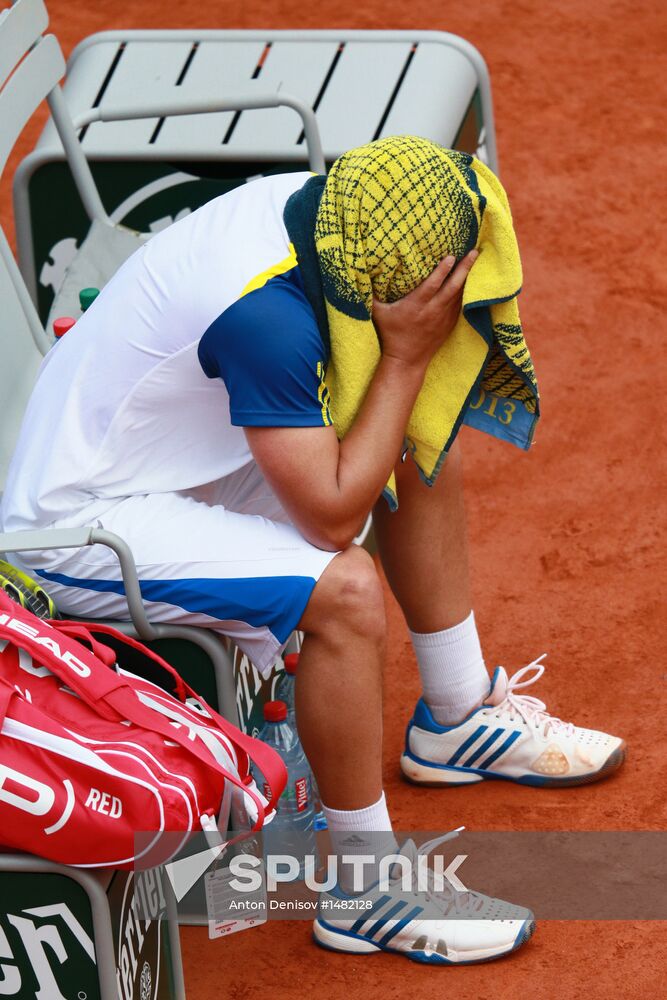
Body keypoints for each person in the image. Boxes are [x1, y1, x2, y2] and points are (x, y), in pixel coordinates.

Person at [0, 136, 625, 965]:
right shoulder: (261, 315)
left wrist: (406, 374)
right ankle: (365, 890)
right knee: (346, 589)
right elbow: (333, 521)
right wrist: (402, 355)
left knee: (415, 433)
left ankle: (456, 715)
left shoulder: (340, 211)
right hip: (81, 523)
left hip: (183, 456)